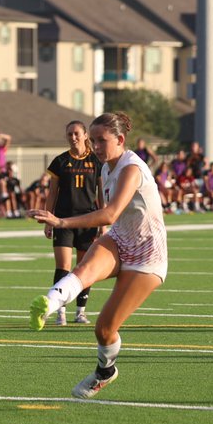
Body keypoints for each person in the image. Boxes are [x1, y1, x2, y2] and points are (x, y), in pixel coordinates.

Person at [28, 112, 167, 399]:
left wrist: (62, 222)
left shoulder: (131, 169)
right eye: (93, 140)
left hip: (147, 254)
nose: (96, 146)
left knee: (104, 329)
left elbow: (111, 212)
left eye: (102, 141)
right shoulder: (105, 168)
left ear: (120, 140)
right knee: (83, 269)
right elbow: (112, 217)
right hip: (120, 239)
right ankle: (50, 303)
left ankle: (105, 371)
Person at [43, 120, 101, 326]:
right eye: (69, 134)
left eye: (76, 133)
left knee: (84, 267)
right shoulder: (60, 161)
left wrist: (103, 222)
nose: (73, 137)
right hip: (63, 220)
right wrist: (49, 219)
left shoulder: (96, 161)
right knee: (64, 266)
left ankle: (81, 311)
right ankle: (60, 311)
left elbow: (101, 193)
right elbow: (52, 193)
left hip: (89, 220)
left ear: (85, 135)